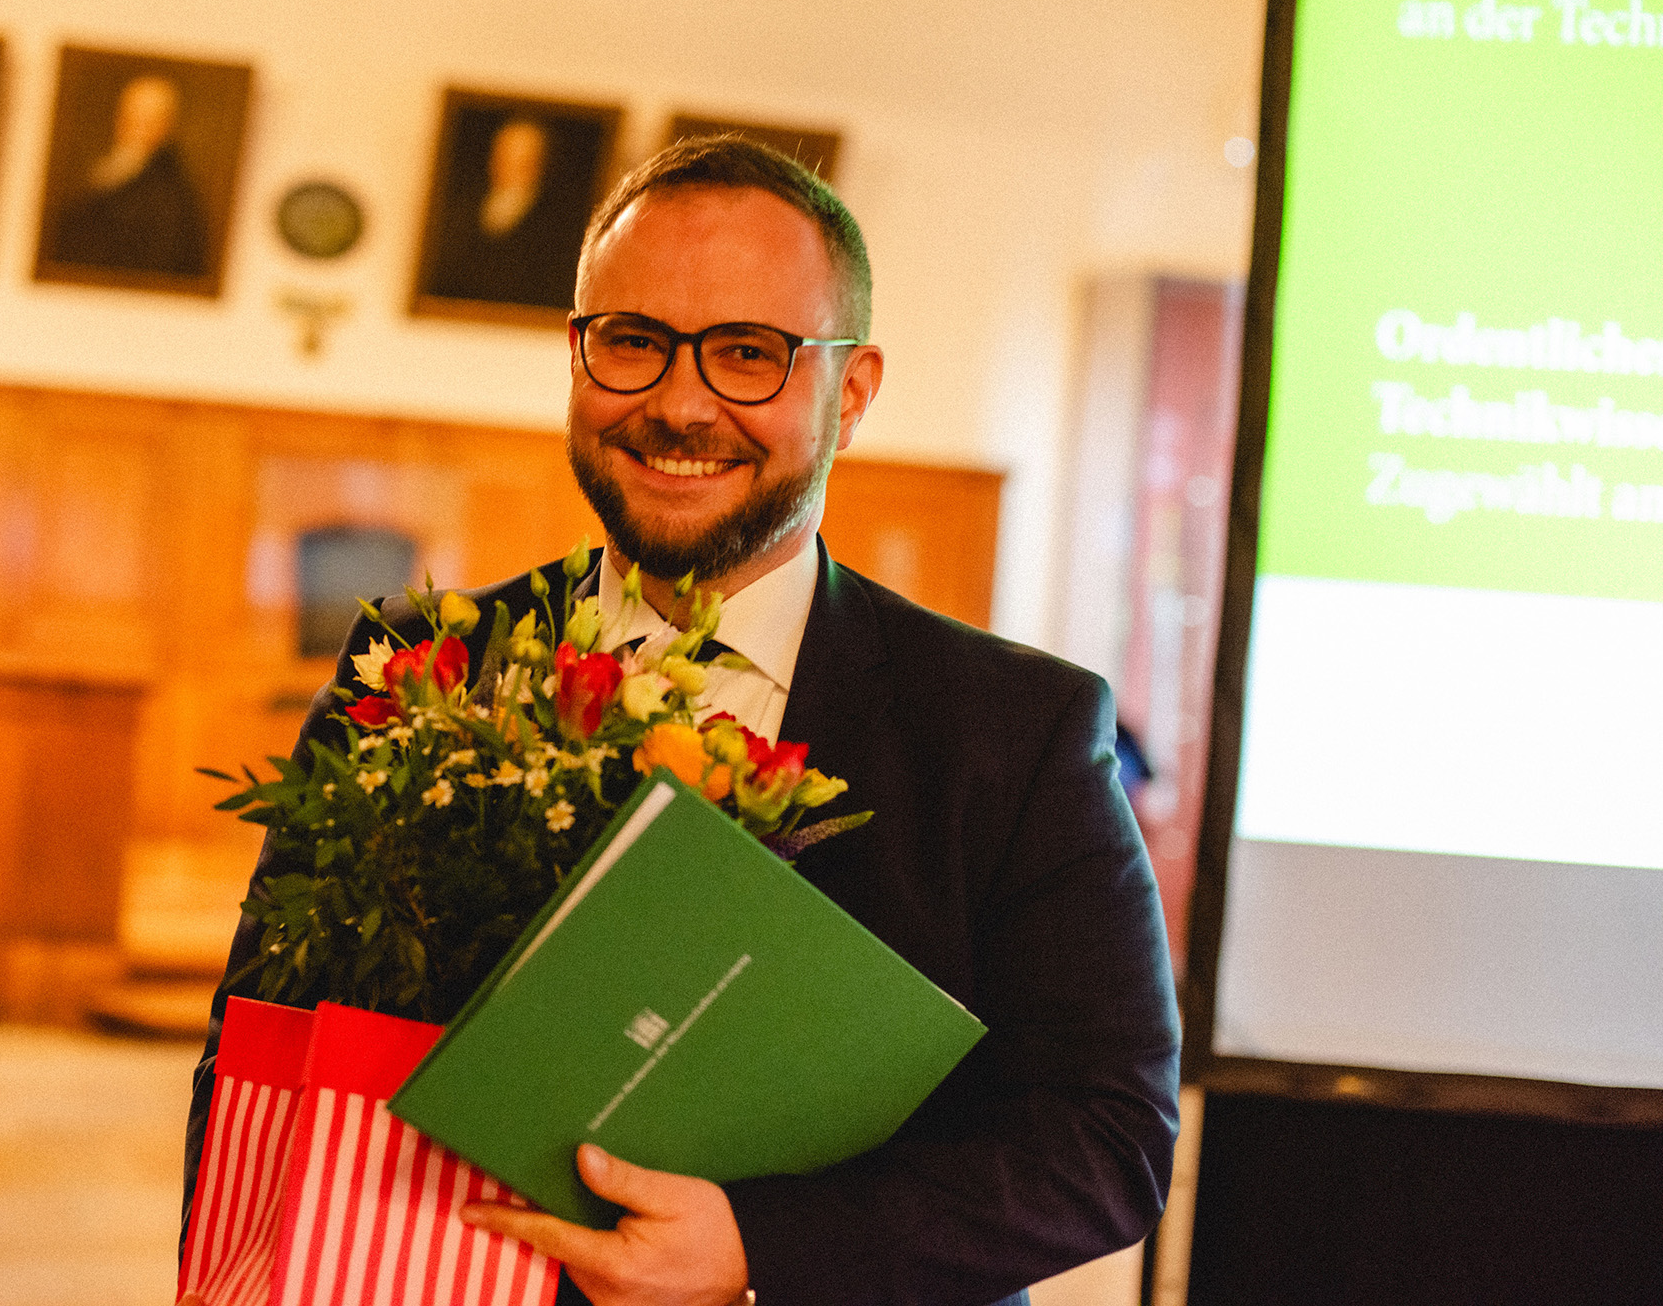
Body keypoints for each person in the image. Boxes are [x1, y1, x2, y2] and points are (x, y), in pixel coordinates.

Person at [185, 137, 1180, 1306]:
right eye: (634, 340)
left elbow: (1106, 1140)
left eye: (750, 354)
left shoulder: (1015, 732)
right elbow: (259, 1045)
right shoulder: (415, 667)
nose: (680, 401)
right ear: (576, 353)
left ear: (850, 392)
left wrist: (768, 1247)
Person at [425, 113, 593, 311]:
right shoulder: (463, 208)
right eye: (505, 153)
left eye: (522, 157)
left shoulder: (557, 223)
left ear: (541, 161)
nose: (511, 163)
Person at [44, 74, 210, 275]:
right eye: (128, 118)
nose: (131, 128)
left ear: (165, 126)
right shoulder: (115, 172)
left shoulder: (170, 194)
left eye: (146, 121)